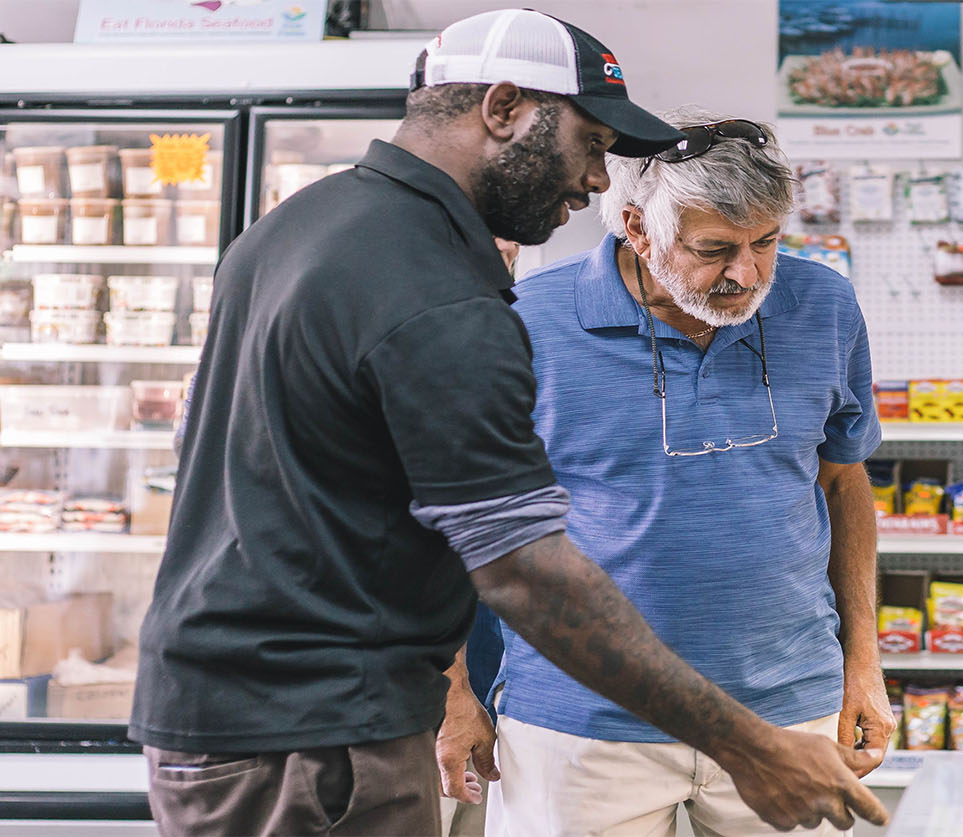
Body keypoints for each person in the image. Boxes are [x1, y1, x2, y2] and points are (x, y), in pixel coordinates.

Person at [129, 9, 887, 837]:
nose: (599, 180)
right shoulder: (445, 295)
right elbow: (521, 569)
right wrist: (744, 743)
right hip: (311, 735)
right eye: (592, 144)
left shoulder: (308, 226)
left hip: (269, 710)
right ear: (503, 109)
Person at [434, 107, 893, 836]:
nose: (747, 274)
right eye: (715, 249)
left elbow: (844, 482)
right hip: (580, 722)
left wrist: (863, 662)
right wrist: (455, 693)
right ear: (635, 227)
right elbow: (459, 517)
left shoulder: (824, 306)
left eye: (767, 242)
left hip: (788, 708)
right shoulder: (523, 321)